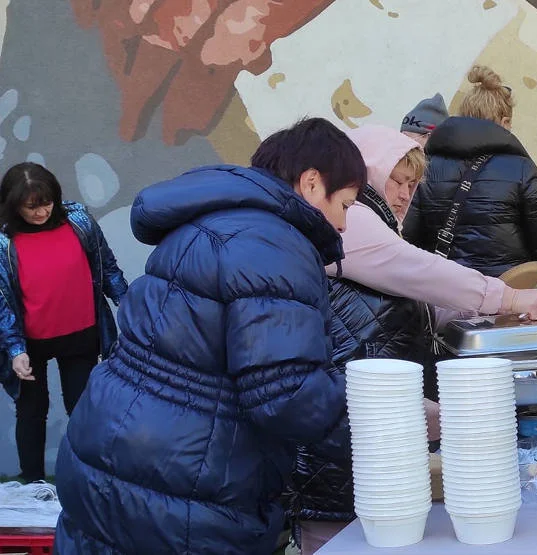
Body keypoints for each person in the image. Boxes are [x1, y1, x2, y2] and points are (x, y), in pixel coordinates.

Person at [54, 118, 364, 554]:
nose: (344, 224)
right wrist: (384, 424)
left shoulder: (213, 222)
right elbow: (285, 393)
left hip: (106, 460)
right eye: (346, 205)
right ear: (313, 184)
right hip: (179, 491)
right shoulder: (273, 244)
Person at [288, 125, 537, 555]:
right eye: (397, 180)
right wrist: (502, 295)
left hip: (369, 427)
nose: (404, 194)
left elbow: (416, 299)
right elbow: (419, 270)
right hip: (342, 433)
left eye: (413, 185)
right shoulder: (349, 222)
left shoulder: (372, 224)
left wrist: (492, 310)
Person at [0, 162, 127, 484]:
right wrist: (15, 349)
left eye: (46, 203)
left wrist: (128, 303)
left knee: (82, 408)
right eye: (31, 207)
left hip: (82, 334)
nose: (41, 212)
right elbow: (2, 301)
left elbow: (107, 266)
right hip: (30, 343)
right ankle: (33, 483)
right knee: (32, 411)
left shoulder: (79, 221)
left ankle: (88, 479)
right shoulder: (3, 241)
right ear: (13, 206)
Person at [403, 65, 537, 296]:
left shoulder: (428, 166)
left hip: (446, 295)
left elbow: (409, 237)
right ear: (503, 122)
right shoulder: (520, 168)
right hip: (504, 294)